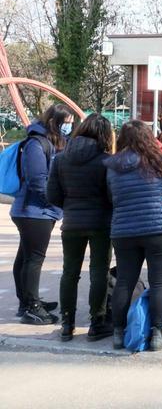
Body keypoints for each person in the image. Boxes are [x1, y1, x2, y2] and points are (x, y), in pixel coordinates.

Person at [105, 120, 162, 351]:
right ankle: (159, 334)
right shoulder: (160, 160)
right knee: (159, 282)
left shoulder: (112, 165)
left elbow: (111, 197)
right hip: (160, 228)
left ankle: (118, 333)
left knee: (125, 281)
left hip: (124, 230)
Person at [46, 114, 115, 341]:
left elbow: (52, 195)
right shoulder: (106, 161)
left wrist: (72, 205)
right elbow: (112, 195)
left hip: (72, 223)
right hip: (101, 224)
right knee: (99, 274)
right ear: (105, 135)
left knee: (69, 273)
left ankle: (67, 324)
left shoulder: (61, 159)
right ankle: (97, 323)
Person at [12, 103, 74, 325]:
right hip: (34, 211)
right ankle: (31, 306)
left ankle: (27, 301)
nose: (69, 126)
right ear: (54, 122)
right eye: (66, 123)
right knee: (33, 259)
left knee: (26, 256)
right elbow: (38, 181)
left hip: (38, 211)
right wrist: (58, 201)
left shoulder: (48, 141)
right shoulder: (36, 144)